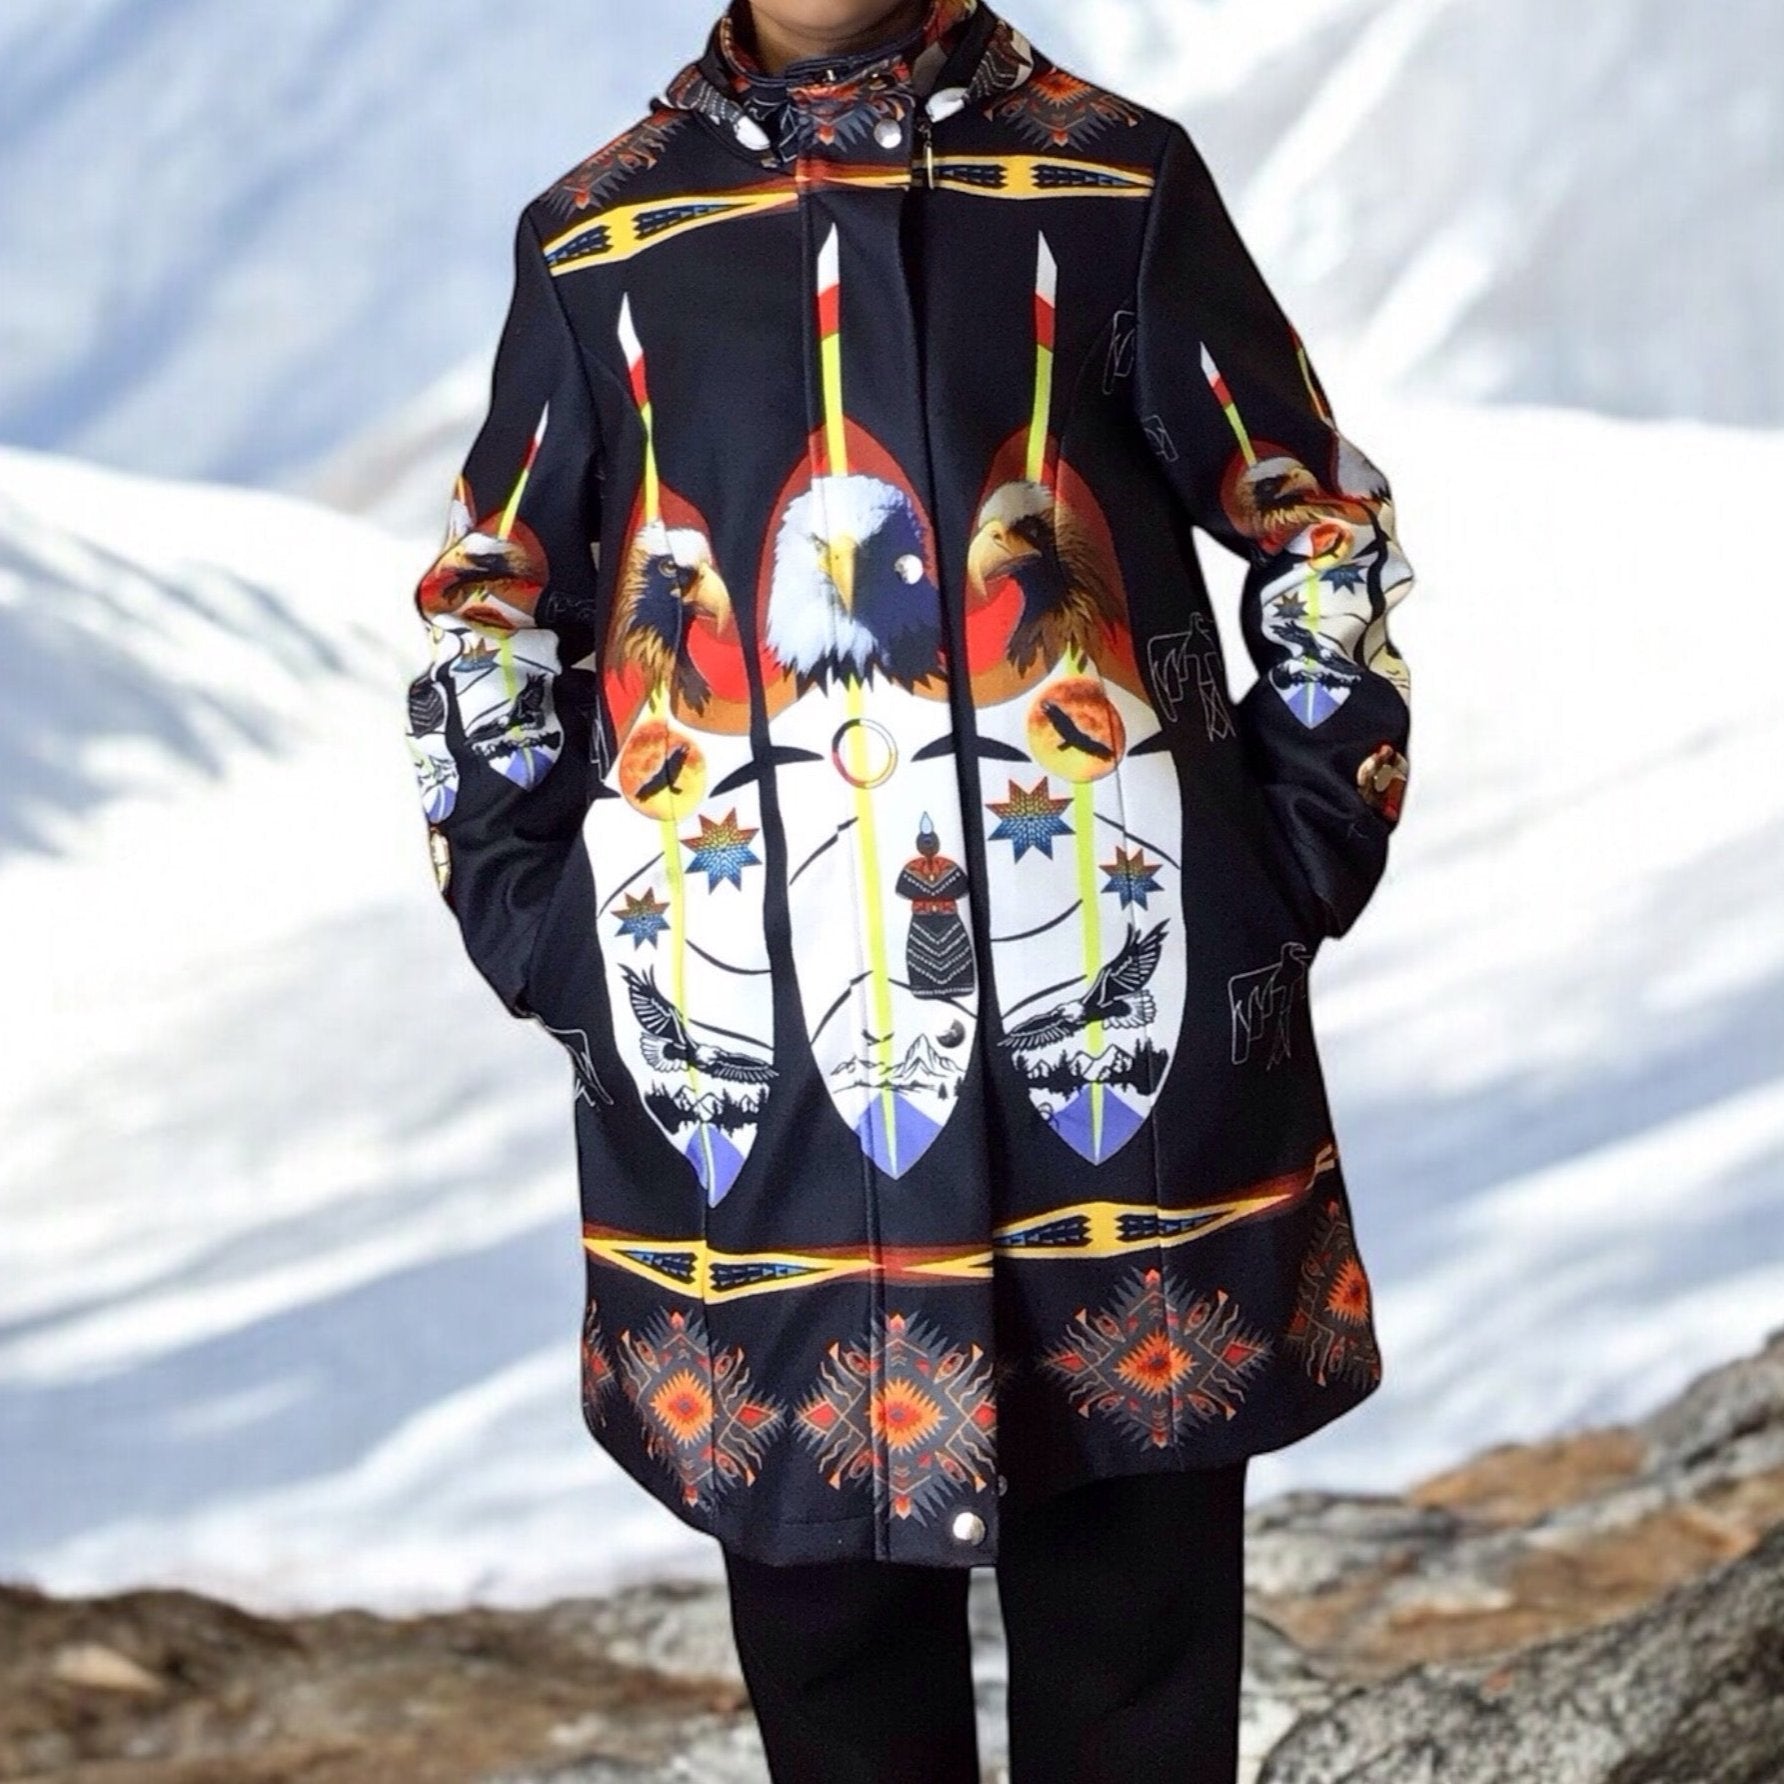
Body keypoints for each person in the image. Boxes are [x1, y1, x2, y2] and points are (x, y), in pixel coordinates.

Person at [403, 0, 1416, 1776]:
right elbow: (491, 607)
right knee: (837, 1698)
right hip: (757, 1113)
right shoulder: (595, 241)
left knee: (1139, 1682)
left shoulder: (1114, 182)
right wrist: (549, 933)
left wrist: (1296, 849)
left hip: (1114, 1073)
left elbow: (1315, 519)